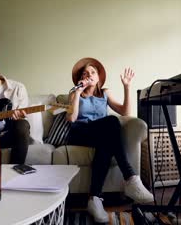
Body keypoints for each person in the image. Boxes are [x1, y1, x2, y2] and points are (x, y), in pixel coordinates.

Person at [66, 57, 154, 223]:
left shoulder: (105, 93)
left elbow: (125, 112)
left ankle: (94, 199)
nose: (89, 75)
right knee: (111, 122)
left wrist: (127, 87)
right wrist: (77, 92)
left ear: (99, 77)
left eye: (92, 72)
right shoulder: (74, 93)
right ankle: (130, 178)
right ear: (80, 78)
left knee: (106, 141)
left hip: (100, 134)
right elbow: (71, 119)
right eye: (85, 73)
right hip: (80, 132)